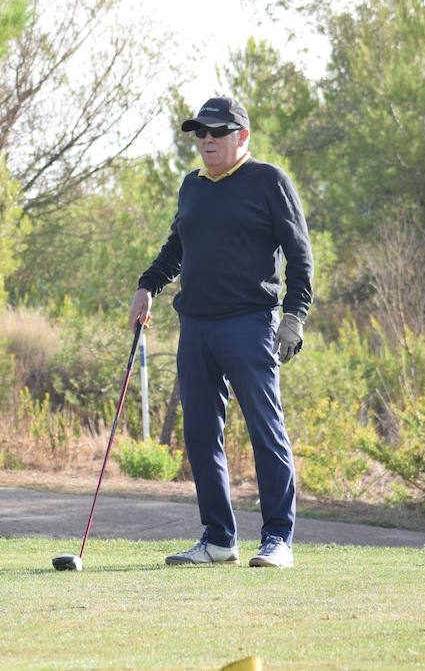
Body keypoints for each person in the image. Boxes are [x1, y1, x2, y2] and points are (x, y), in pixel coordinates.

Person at [130, 96, 312, 569]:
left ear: (242, 136)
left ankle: (277, 539)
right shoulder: (192, 186)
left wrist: (295, 315)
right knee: (200, 433)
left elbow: (299, 253)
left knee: (264, 429)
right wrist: (148, 285)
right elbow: (177, 245)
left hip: (250, 324)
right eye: (200, 133)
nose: (206, 140)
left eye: (217, 132)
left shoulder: (269, 180)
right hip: (196, 326)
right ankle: (218, 539)